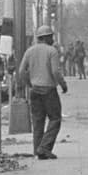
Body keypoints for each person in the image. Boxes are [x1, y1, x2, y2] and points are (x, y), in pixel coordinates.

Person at [17, 24, 69, 160]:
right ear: (46, 37)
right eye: (51, 36)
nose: (52, 39)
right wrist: (63, 85)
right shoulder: (52, 51)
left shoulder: (30, 51)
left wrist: (29, 84)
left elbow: (22, 71)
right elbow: (56, 72)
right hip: (49, 91)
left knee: (38, 121)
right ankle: (44, 148)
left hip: (35, 90)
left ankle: (37, 150)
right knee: (55, 118)